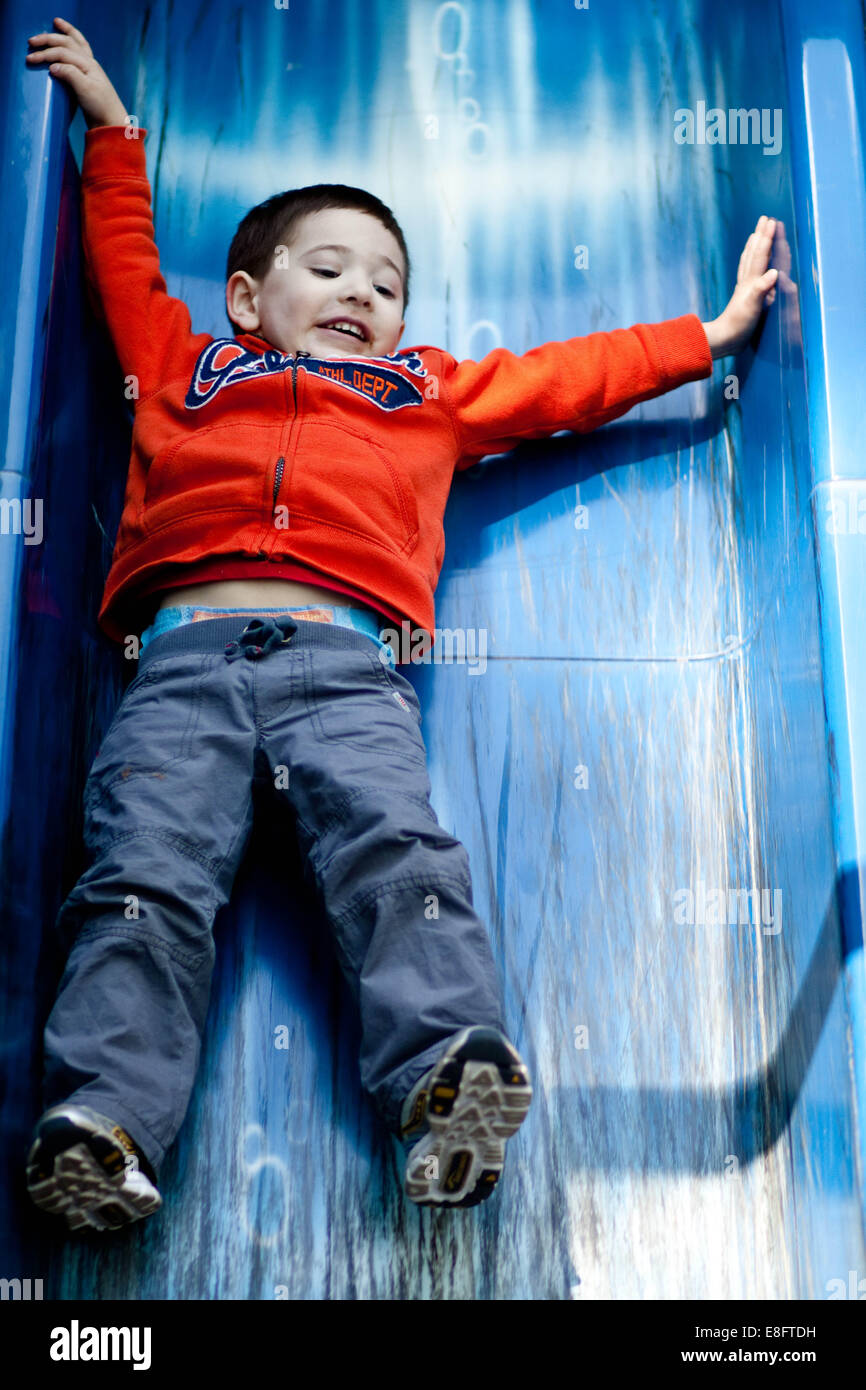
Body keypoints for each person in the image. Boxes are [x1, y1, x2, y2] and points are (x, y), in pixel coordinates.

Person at [23, 17, 779, 1232]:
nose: (360, 296)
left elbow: (560, 379)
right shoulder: (179, 368)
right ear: (244, 297)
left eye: (384, 286)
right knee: (143, 880)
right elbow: (123, 270)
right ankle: (102, 1124)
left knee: (395, 856)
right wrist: (115, 133)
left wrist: (705, 337)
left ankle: (446, 1082)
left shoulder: (424, 394)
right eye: (326, 270)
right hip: (180, 666)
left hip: (344, 670)